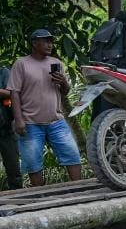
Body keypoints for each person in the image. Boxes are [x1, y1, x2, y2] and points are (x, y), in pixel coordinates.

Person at [7, 30, 81, 187]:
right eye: (45, 41)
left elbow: (65, 93)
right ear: (34, 43)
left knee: (72, 155)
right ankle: (40, 195)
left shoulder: (57, 63)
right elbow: (14, 93)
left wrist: (64, 83)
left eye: (51, 41)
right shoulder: (21, 64)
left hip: (56, 121)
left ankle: (79, 190)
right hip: (30, 122)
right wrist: (19, 119)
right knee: (33, 164)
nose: (50, 45)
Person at [0, 65, 22, 191]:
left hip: (5, 128)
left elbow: (12, 92)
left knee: (13, 169)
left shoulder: (3, 72)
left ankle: (19, 203)